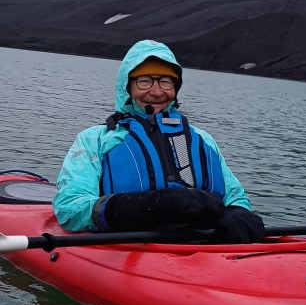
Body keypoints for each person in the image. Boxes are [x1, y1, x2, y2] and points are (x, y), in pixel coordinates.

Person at [53, 39, 266, 241]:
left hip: (202, 245)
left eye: (166, 82)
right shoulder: (95, 140)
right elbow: (70, 207)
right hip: (129, 243)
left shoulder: (203, 139)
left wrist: (236, 213)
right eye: (144, 81)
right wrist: (150, 207)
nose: (157, 92)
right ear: (126, 86)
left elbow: (236, 197)